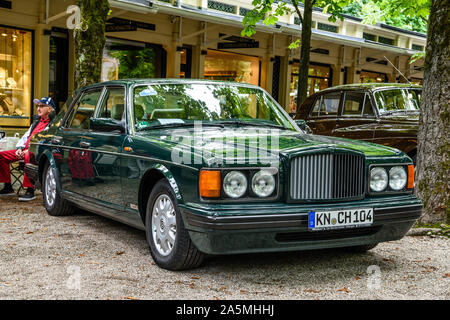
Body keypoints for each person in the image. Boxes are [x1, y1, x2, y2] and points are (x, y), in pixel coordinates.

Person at [0, 97, 55, 201]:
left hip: (37, 153)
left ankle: (30, 190)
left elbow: (44, 142)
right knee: (1, 155)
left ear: (50, 109)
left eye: (42, 106)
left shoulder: (52, 124)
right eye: (38, 106)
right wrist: (19, 148)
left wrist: (28, 150)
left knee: (28, 155)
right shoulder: (36, 122)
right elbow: (25, 136)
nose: (38, 108)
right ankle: (8, 187)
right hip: (25, 150)